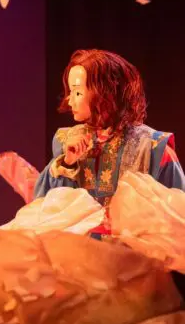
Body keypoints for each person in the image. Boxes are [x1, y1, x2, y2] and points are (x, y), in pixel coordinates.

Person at [34, 49, 185, 211]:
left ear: (105, 94)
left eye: (77, 93)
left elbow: (178, 209)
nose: (69, 101)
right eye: (71, 92)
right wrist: (68, 163)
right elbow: (45, 205)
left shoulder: (152, 147)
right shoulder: (67, 141)